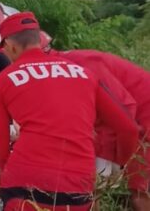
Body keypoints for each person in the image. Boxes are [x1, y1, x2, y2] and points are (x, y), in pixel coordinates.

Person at [0, 12, 139, 210]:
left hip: (23, 185)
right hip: (77, 187)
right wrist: (121, 164)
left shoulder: (2, 80)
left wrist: (5, 172)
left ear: (10, 46)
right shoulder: (84, 73)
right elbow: (129, 129)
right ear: (38, 41)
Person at [40, 32, 150, 211]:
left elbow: (126, 113)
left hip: (142, 118)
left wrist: (118, 158)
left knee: (139, 194)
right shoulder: (58, 69)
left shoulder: (82, 66)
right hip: (125, 122)